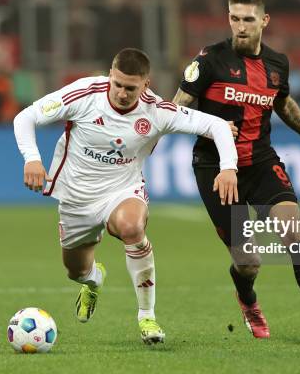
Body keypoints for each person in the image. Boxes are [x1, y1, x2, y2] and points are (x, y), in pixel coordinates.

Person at [13, 48, 238, 344]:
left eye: (130, 88)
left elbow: (217, 125)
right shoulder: (84, 93)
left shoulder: (156, 111)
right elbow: (25, 117)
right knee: (75, 271)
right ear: (110, 74)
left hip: (122, 191)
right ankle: (93, 280)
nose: (121, 93)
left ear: (146, 84)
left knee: (132, 227)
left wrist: (228, 168)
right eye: (116, 84)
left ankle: (147, 316)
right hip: (76, 198)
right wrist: (32, 158)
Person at [172, 0, 300, 342]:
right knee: (249, 262)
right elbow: (175, 111)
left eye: (248, 19)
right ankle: (247, 297)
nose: (240, 26)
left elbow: (284, 105)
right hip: (216, 168)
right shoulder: (209, 61)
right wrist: (212, 128)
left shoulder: (277, 64)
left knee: (294, 232)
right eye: (234, 18)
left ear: (264, 21)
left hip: (261, 162)